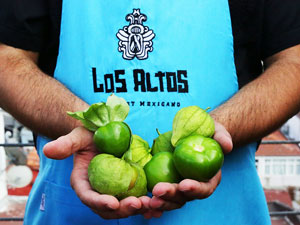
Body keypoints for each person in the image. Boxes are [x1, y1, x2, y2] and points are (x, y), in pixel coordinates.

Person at [0, 0, 300, 224]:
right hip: (73, 207)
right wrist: (96, 127)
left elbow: (293, 62)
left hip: (222, 210)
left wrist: (214, 130)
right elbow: (6, 59)